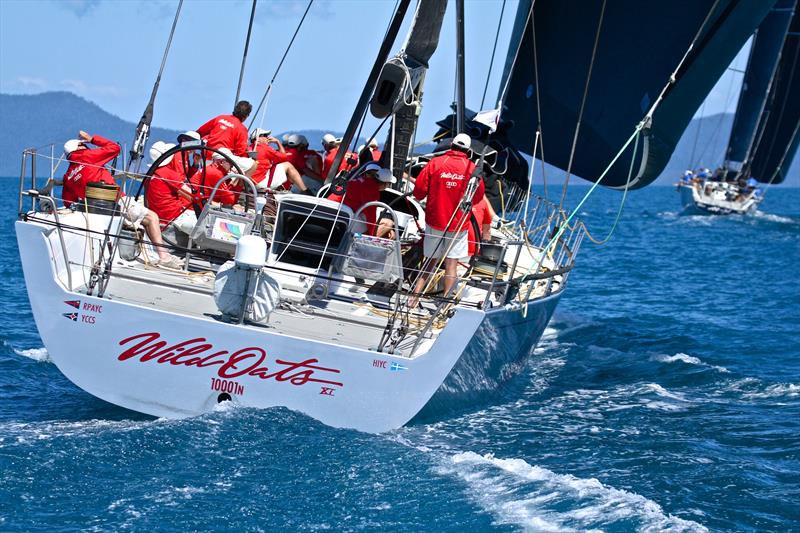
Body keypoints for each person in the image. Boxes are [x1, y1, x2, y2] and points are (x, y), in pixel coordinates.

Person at [62, 131, 182, 268]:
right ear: (79, 148)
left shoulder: (68, 176)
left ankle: (161, 253)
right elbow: (114, 148)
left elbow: (68, 202)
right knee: (152, 217)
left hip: (96, 209)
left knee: (145, 219)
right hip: (117, 202)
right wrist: (92, 139)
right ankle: (164, 257)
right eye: (85, 146)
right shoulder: (86, 156)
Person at [409, 133, 484, 307]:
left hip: (435, 221)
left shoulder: (435, 163)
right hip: (458, 224)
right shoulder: (472, 168)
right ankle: (445, 304)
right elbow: (478, 197)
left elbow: (419, 191)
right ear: (468, 150)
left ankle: (413, 299)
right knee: (452, 264)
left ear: (452, 146)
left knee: (429, 261)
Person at [327, 163, 395, 234]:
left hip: (332, 211)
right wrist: (372, 235)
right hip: (341, 217)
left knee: (384, 224)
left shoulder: (360, 181)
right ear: (385, 184)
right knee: (388, 223)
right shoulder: (371, 189)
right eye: (389, 184)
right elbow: (370, 216)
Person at [146, 141, 196, 234]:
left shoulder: (150, 173)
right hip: (175, 217)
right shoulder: (170, 174)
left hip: (158, 217)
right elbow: (192, 196)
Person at [249, 128, 310, 193]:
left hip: (250, 182)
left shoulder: (249, 147)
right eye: (265, 135)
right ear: (258, 138)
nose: (268, 138)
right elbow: (284, 158)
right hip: (261, 183)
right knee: (288, 165)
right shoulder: (264, 148)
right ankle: (305, 191)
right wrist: (277, 142)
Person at [189, 148, 253, 208]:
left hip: (198, 205)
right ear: (221, 162)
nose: (232, 166)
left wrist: (238, 179)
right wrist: (239, 180)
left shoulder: (213, 169)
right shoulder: (216, 173)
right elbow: (229, 201)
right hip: (194, 209)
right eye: (230, 163)